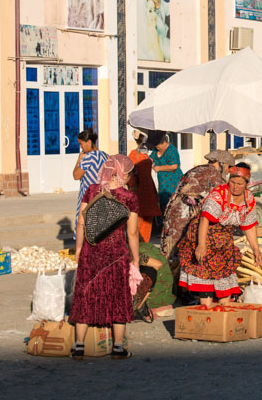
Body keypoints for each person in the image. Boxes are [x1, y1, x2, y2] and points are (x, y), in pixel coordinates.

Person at [69, 155, 139, 361]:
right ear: (123, 173)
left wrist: (79, 248)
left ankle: (79, 346)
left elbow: (81, 222)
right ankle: (118, 347)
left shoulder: (91, 190)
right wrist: (135, 258)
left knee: (86, 293)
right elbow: (132, 233)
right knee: (118, 296)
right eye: (128, 173)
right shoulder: (128, 197)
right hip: (116, 253)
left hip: (92, 250)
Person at [176, 164, 262, 306]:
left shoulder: (249, 199)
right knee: (205, 281)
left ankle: (223, 315)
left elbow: (250, 225)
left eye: (239, 184)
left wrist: (256, 249)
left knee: (225, 281)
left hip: (224, 240)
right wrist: (201, 245)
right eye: (232, 182)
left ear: (247, 184)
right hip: (204, 234)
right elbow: (205, 219)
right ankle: (207, 311)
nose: (235, 186)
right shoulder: (218, 194)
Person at [160, 149, 234, 259]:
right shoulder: (215, 175)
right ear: (222, 164)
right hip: (186, 214)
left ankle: (165, 273)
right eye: (228, 167)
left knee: (169, 251)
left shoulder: (198, 168)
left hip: (174, 210)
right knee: (182, 251)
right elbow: (220, 202)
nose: (227, 172)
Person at [128, 131, 161, 242]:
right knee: (138, 221)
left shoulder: (144, 154)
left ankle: (144, 246)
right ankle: (137, 246)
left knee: (147, 221)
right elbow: (131, 175)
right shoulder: (134, 155)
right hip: (139, 191)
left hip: (147, 190)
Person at [72, 129, 108, 231]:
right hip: (102, 197)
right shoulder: (104, 155)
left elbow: (76, 175)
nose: (80, 147)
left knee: (85, 227)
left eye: (81, 144)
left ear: (88, 142)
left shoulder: (89, 157)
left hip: (89, 197)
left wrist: (79, 160)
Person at [132, 237, 176, 321]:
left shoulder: (130, 252)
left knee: (150, 271)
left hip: (153, 299)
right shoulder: (147, 246)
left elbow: (155, 266)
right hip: (168, 297)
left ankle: (138, 307)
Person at [150, 135, 183, 216]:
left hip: (173, 181)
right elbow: (150, 159)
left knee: (172, 203)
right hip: (162, 182)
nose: (157, 147)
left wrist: (159, 168)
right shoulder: (156, 149)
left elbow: (174, 166)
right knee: (162, 202)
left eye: (158, 145)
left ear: (164, 142)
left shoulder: (172, 150)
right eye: (156, 146)